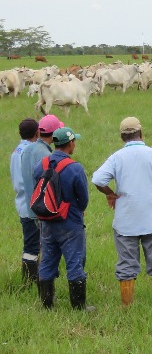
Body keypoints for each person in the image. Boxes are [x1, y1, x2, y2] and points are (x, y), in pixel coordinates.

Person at [91, 117, 152, 306]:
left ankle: (126, 307)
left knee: (127, 264)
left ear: (122, 136)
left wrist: (110, 194)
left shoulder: (117, 157)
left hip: (126, 221)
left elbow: (97, 179)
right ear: (141, 133)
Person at [34, 127, 93, 311]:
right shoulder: (75, 168)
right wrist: (79, 209)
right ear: (70, 143)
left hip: (46, 221)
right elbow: (83, 198)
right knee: (75, 261)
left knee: (47, 260)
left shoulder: (41, 165)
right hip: (70, 222)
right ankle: (78, 306)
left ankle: (47, 304)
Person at [19, 115, 64, 285]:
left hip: (30, 207)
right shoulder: (46, 154)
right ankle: (44, 285)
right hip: (44, 209)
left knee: (35, 246)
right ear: (54, 134)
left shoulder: (27, 150)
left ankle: (31, 281)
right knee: (48, 248)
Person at [10, 118, 40, 285]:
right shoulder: (31, 151)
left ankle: (30, 278)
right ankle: (30, 280)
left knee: (31, 242)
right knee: (32, 245)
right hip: (31, 204)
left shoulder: (17, 150)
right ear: (37, 133)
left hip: (21, 201)